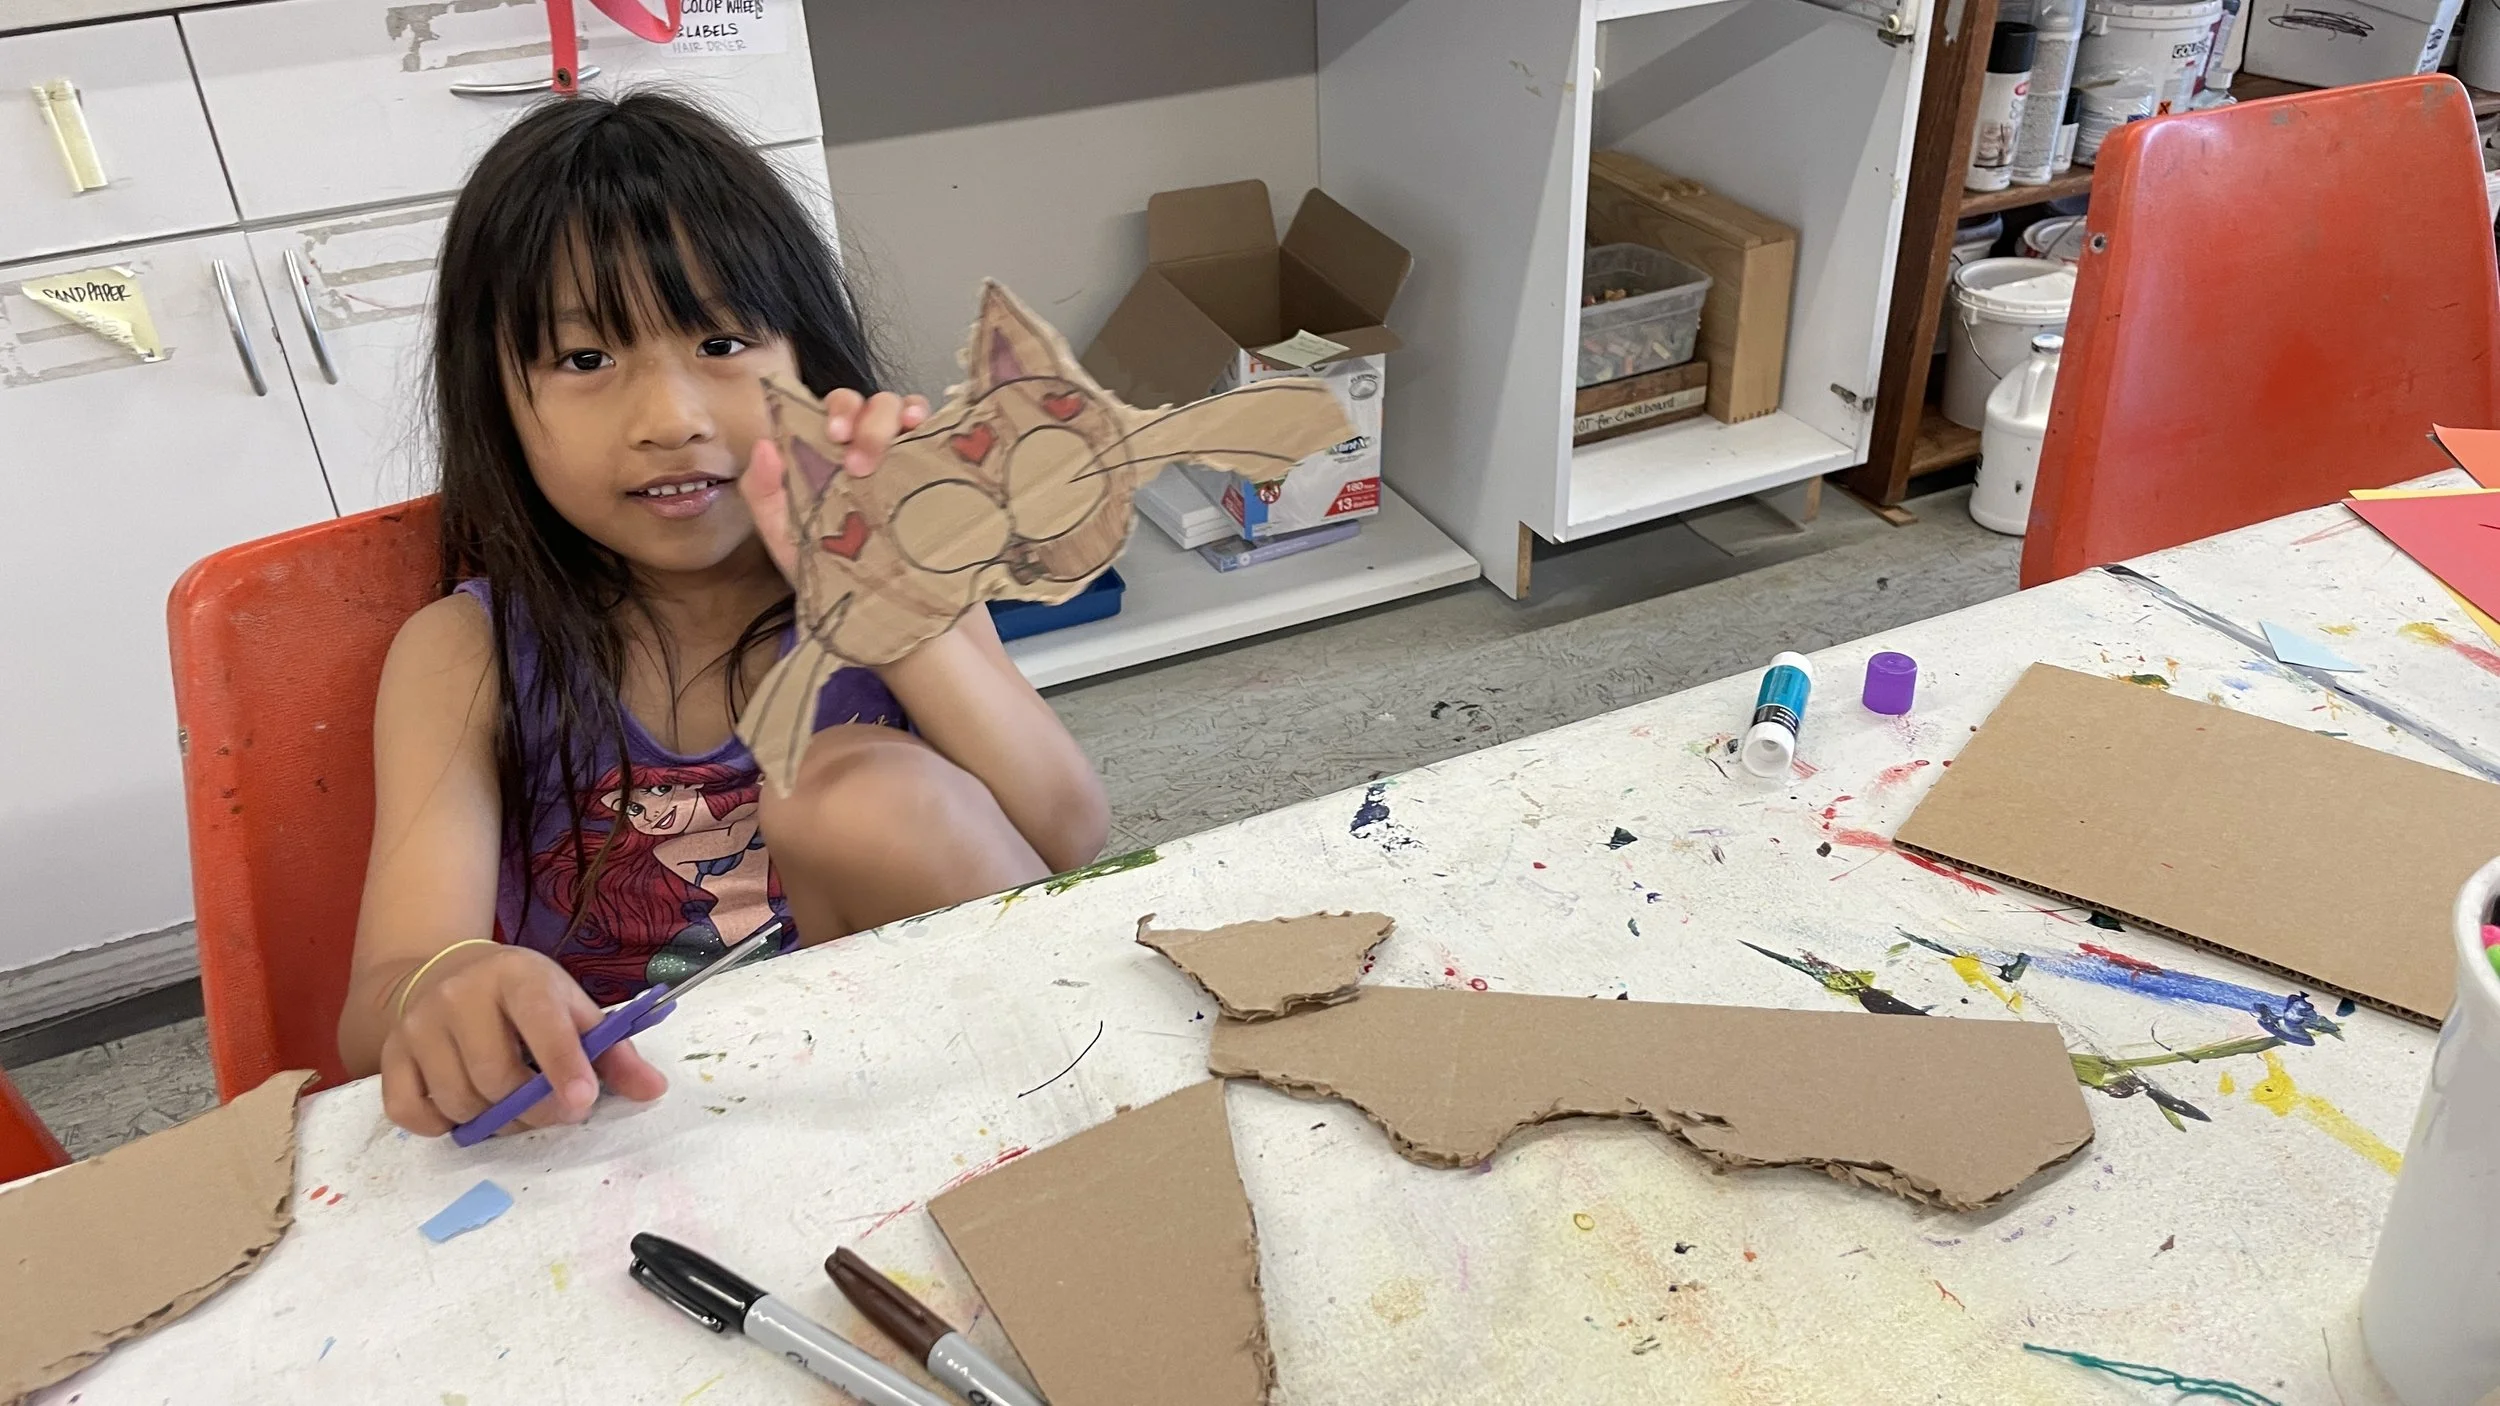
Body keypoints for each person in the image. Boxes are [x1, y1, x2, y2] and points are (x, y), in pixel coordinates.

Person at [336, 92, 1109, 1137]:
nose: (671, 419)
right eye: (584, 359)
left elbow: (1068, 841)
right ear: (496, 402)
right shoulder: (464, 651)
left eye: (722, 339)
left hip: (912, 1082)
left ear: (806, 362)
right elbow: (385, 991)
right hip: (629, 1130)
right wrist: (449, 984)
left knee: (860, 794)